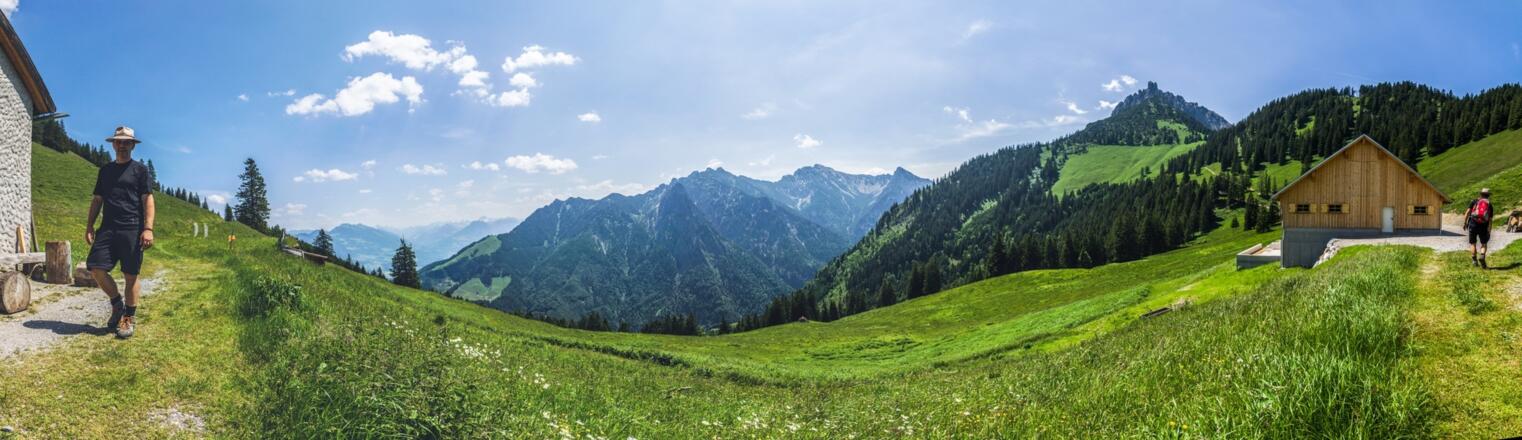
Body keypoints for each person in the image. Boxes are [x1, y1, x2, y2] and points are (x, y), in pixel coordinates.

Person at [84, 126, 155, 339]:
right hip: (107, 228)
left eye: (126, 142)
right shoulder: (105, 171)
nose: (122, 145)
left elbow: (147, 199)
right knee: (96, 268)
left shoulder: (140, 170)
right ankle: (117, 304)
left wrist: (148, 228)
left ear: (132, 145)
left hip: (132, 228)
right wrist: (89, 225)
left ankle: (128, 318)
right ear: (113, 144)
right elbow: (98, 199)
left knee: (130, 275)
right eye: (119, 141)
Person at [1464, 188, 1493, 268]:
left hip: (1473, 224)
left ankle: (1474, 260)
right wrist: (1489, 230)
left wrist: (1465, 223)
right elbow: (1490, 219)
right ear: (1488, 195)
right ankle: (1482, 256)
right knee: (1484, 243)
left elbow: (1467, 213)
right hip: (1483, 226)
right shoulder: (1489, 204)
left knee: (1473, 243)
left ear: (1480, 194)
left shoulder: (1474, 201)